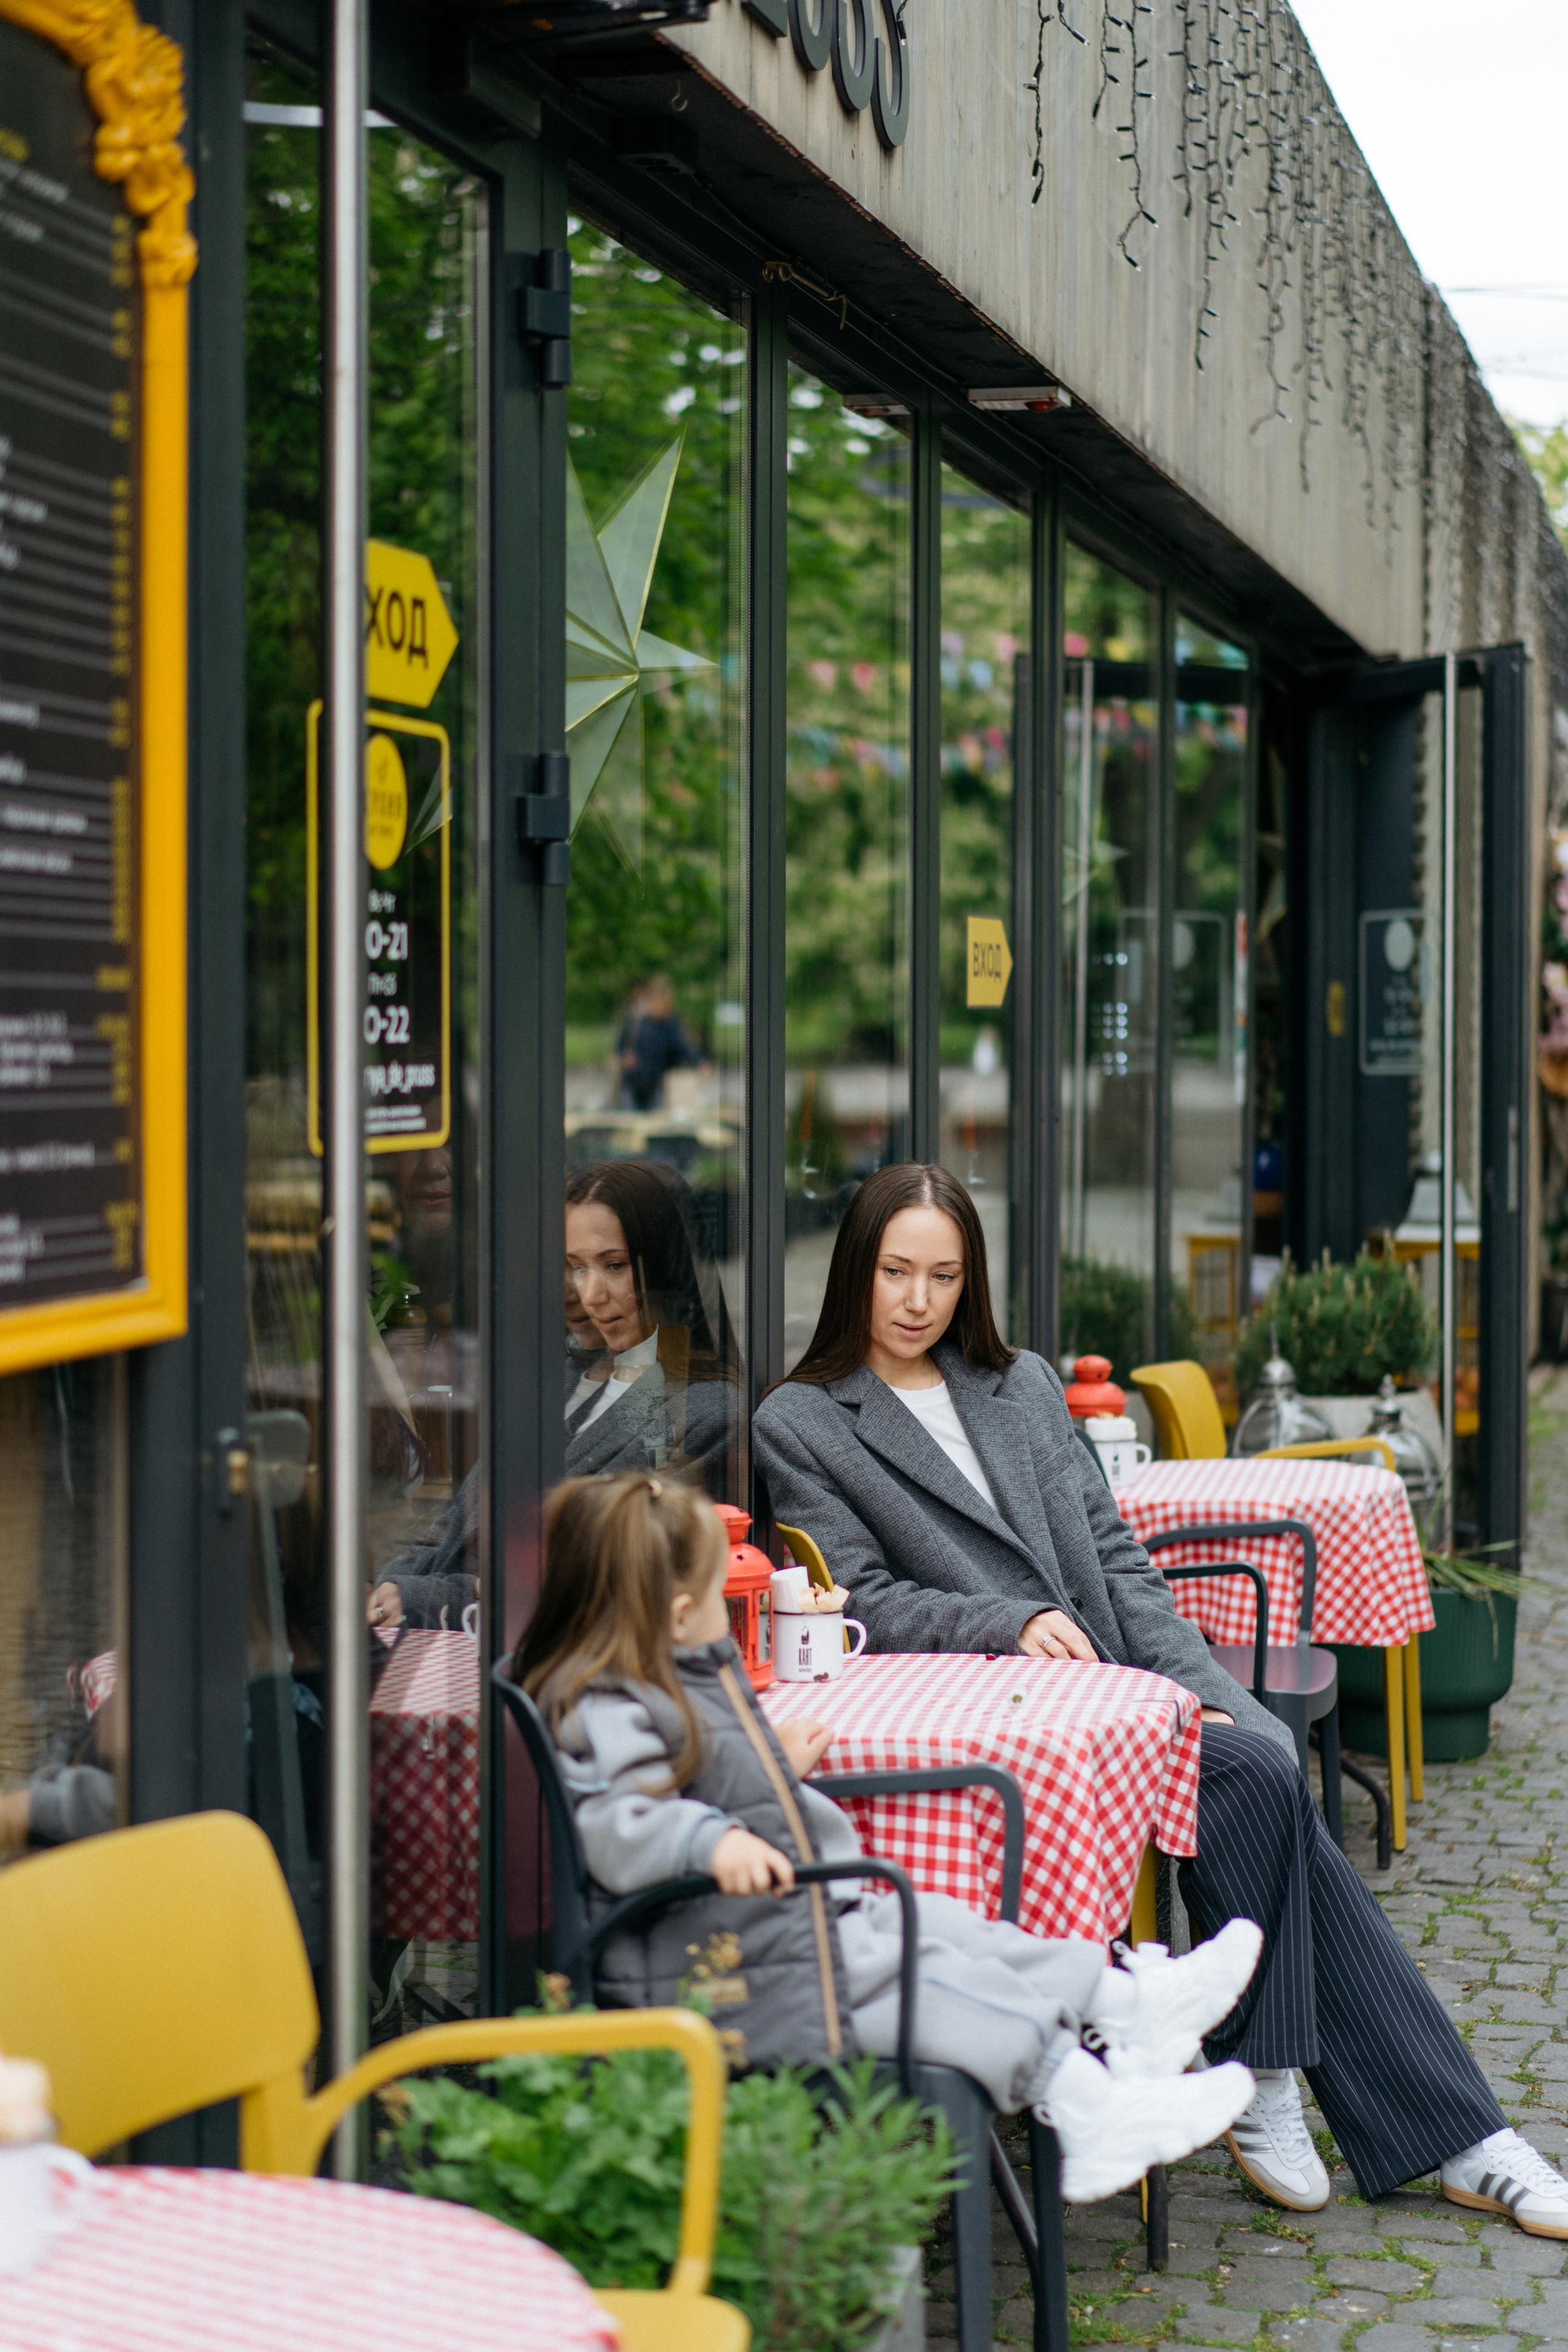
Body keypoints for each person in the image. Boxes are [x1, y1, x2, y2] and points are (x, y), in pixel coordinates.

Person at [752, 1163, 1568, 2236]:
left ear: (970, 1281)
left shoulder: (1024, 1384)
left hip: (1120, 1690)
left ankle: (1313, 2085)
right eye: (895, 1271)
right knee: (1257, 1779)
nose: (916, 1300)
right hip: (1005, 1718)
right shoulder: (803, 1420)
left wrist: (1206, 1689)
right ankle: (1440, 2129)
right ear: (855, 1268)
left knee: (1262, 1758)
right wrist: (1003, 1622)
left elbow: (1119, 1562)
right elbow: (864, 1597)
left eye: (943, 1276)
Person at [514, 1470, 1265, 2204]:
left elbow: (691, 1773)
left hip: (783, 1930)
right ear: (678, 1615)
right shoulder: (605, 1699)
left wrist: (775, 1770)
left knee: (951, 1927)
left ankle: (1129, 1999)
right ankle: (1084, 2105)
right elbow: (616, 1818)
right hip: (736, 1976)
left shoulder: (663, 1674)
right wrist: (708, 1844)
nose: (730, 1607)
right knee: (932, 1979)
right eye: (718, 1593)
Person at [565, 1158, 741, 1496]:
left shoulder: (708, 1412)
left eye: (615, 1265)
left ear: (665, 1269)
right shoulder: (567, 1377)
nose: (591, 1296)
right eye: (578, 1267)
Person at [616, 975, 703, 1112]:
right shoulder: (637, 1021)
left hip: (656, 1086)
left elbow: (681, 1046)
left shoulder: (669, 1023)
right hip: (633, 1084)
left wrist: (698, 1061)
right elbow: (621, 1045)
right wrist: (625, 1056)